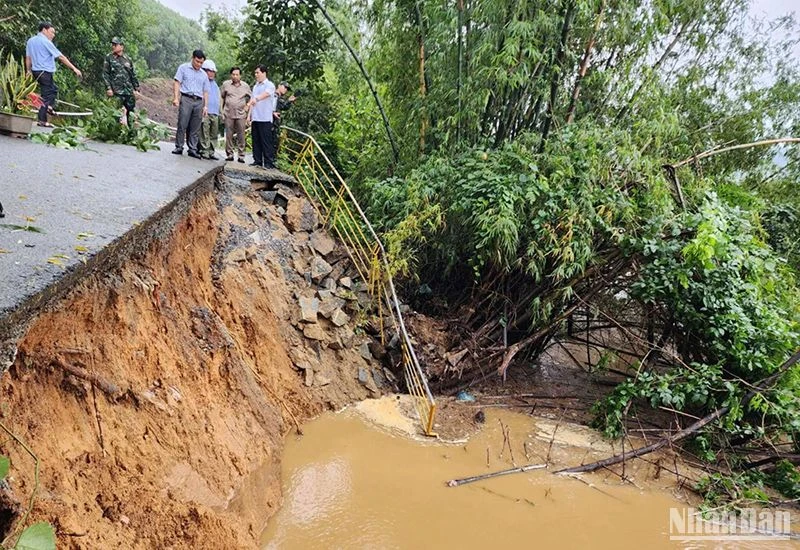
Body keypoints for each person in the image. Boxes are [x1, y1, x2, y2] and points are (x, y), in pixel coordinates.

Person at [24, 21, 82, 128]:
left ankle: (49, 107)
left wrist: (28, 70)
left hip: (36, 71)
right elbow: (60, 57)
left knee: (53, 89)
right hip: (44, 72)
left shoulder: (30, 41)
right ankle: (42, 120)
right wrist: (74, 68)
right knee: (46, 96)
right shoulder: (46, 42)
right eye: (52, 32)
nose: (53, 35)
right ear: (44, 30)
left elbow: (28, 58)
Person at [172, 49, 209, 158]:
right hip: (186, 98)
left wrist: (205, 106)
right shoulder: (183, 68)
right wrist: (176, 98)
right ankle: (179, 146)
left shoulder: (204, 74)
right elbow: (177, 82)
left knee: (195, 126)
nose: (199, 64)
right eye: (197, 61)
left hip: (198, 101)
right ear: (192, 58)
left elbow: (206, 91)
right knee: (182, 123)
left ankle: (192, 148)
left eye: (201, 62)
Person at [102, 37, 139, 127]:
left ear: (121, 47)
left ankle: (131, 134)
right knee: (115, 113)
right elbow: (105, 74)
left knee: (131, 113)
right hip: (116, 91)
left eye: (115, 44)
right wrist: (108, 88)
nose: (113, 46)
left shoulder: (127, 59)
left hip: (128, 91)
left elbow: (132, 75)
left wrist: (137, 89)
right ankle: (115, 133)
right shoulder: (109, 58)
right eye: (112, 44)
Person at [246, 65, 276, 169]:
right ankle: (257, 160)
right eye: (255, 73)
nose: (256, 75)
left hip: (265, 118)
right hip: (256, 117)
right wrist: (249, 116)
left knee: (266, 141)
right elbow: (251, 101)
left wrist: (257, 99)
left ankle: (268, 162)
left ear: (264, 73)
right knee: (256, 140)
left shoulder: (270, 85)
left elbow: (266, 94)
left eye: (258, 73)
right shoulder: (255, 86)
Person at [220, 67, 251, 163]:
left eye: (237, 74)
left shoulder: (245, 86)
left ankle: (241, 155)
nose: (235, 76)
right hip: (228, 113)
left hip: (241, 114)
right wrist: (221, 110)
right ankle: (229, 154)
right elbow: (222, 97)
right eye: (233, 74)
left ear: (240, 75)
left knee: (241, 135)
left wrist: (247, 107)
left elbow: (251, 97)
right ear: (231, 75)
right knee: (229, 135)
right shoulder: (226, 84)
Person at [198, 59, 221, 160]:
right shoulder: (202, 81)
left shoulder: (215, 85)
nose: (211, 73)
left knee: (213, 132)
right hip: (205, 111)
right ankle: (204, 150)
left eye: (213, 72)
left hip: (215, 112)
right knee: (204, 131)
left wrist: (220, 112)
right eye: (209, 71)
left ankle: (211, 151)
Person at [272, 80, 296, 159]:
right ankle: (268, 160)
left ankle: (271, 160)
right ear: (279, 85)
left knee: (275, 143)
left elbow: (284, 107)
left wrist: (289, 101)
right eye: (284, 87)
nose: (285, 90)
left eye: (287, 89)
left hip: (275, 124)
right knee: (271, 142)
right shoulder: (274, 95)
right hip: (270, 123)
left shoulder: (279, 97)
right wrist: (288, 101)